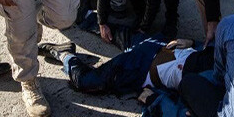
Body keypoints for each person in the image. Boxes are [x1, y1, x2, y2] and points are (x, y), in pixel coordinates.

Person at [40, 36, 213, 96]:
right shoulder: (226, 62)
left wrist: (152, 98)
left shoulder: (220, 92)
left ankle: (64, 52)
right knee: (86, 81)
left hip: (146, 66)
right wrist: (192, 42)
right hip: (150, 57)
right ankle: (64, 54)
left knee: (89, 82)